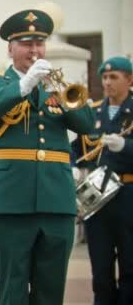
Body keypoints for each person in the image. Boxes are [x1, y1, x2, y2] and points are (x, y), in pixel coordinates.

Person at [0, 9, 96, 304]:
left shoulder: (57, 87)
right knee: (14, 287)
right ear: (11, 48)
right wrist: (23, 86)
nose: (35, 50)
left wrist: (59, 93)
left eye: (39, 43)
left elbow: (87, 125)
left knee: (51, 290)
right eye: (27, 44)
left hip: (56, 200)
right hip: (11, 201)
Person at [71, 56, 133, 304]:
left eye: (114, 77)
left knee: (130, 266)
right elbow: (76, 148)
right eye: (105, 77)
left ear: (129, 80)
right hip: (97, 201)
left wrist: (126, 147)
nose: (107, 82)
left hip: (129, 197)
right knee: (100, 268)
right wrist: (71, 166)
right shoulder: (93, 112)